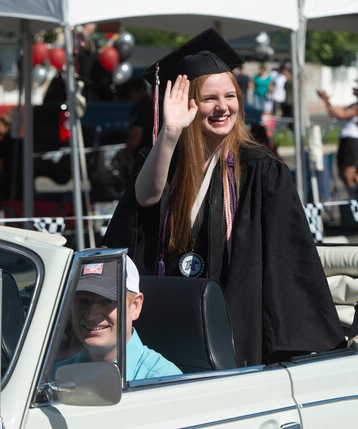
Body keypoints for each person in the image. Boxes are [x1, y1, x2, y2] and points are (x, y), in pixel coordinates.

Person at [103, 28, 344, 366]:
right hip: (165, 324)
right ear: (187, 105)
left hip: (233, 332)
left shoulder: (260, 170)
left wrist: (301, 344)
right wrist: (170, 133)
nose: (222, 108)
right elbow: (144, 199)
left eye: (230, 97)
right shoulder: (163, 162)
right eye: (209, 99)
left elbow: (287, 261)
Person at [54, 256, 182, 381]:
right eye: (82, 301)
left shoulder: (164, 381)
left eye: (106, 301)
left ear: (135, 306)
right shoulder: (52, 377)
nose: (91, 314)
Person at [317, 85, 358, 199]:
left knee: (349, 173)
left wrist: (327, 101)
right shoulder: (353, 104)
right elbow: (335, 112)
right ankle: (356, 194)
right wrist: (327, 101)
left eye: (357, 87)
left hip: (353, 140)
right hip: (345, 140)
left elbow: (341, 115)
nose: (353, 88)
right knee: (342, 173)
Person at [118, 77, 155, 173]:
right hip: (156, 153)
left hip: (143, 156)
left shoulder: (139, 108)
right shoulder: (155, 105)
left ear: (136, 91)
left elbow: (136, 134)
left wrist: (125, 152)